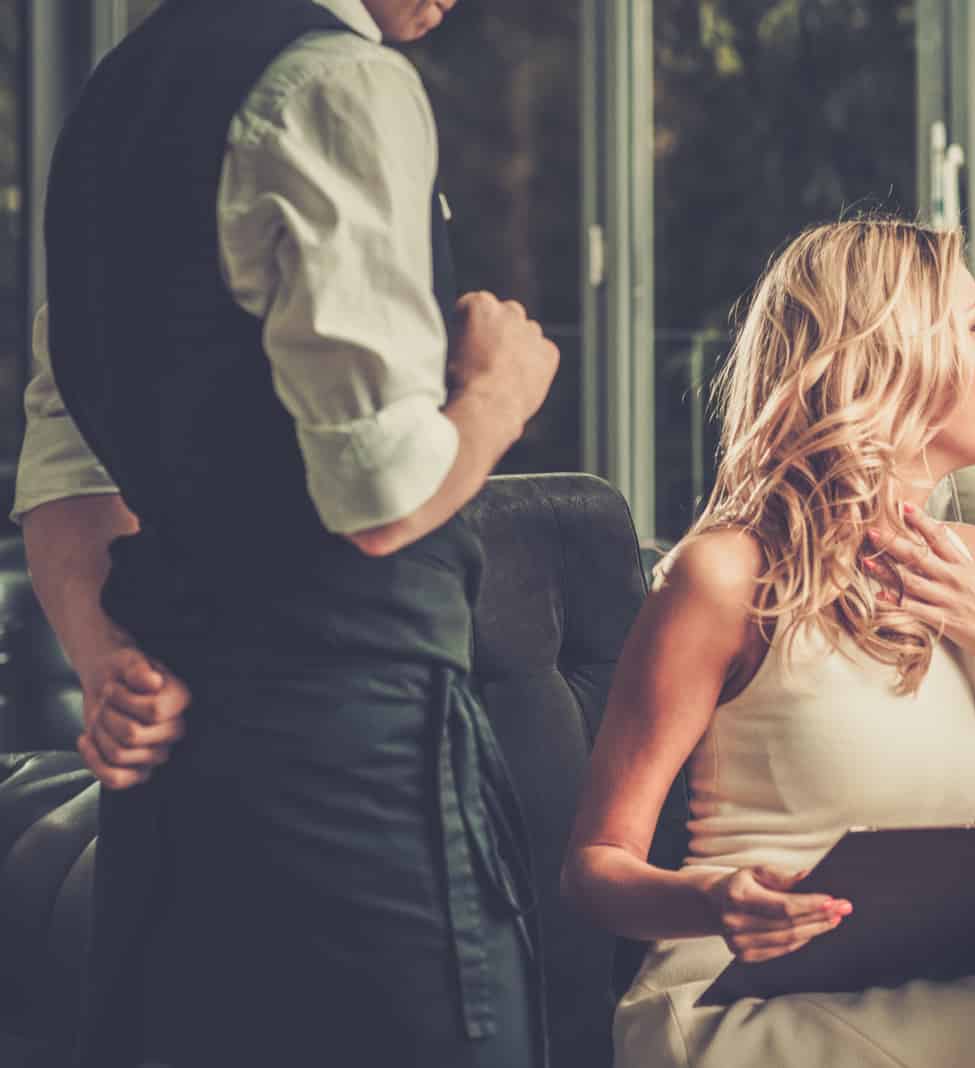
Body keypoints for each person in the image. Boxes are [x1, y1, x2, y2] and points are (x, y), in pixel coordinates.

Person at [15, 0, 558, 1063]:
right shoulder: (335, 81)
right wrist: (501, 391)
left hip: (177, 790)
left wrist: (103, 654)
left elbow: (65, 462)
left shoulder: (113, 105)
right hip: (354, 761)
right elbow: (382, 498)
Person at [561, 219, 975, 1068]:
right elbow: (594, 869)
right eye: (974, 327)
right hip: (741, 1006)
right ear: (885, 351)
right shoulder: (725, 575)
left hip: (931, 988)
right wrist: (718, 901)